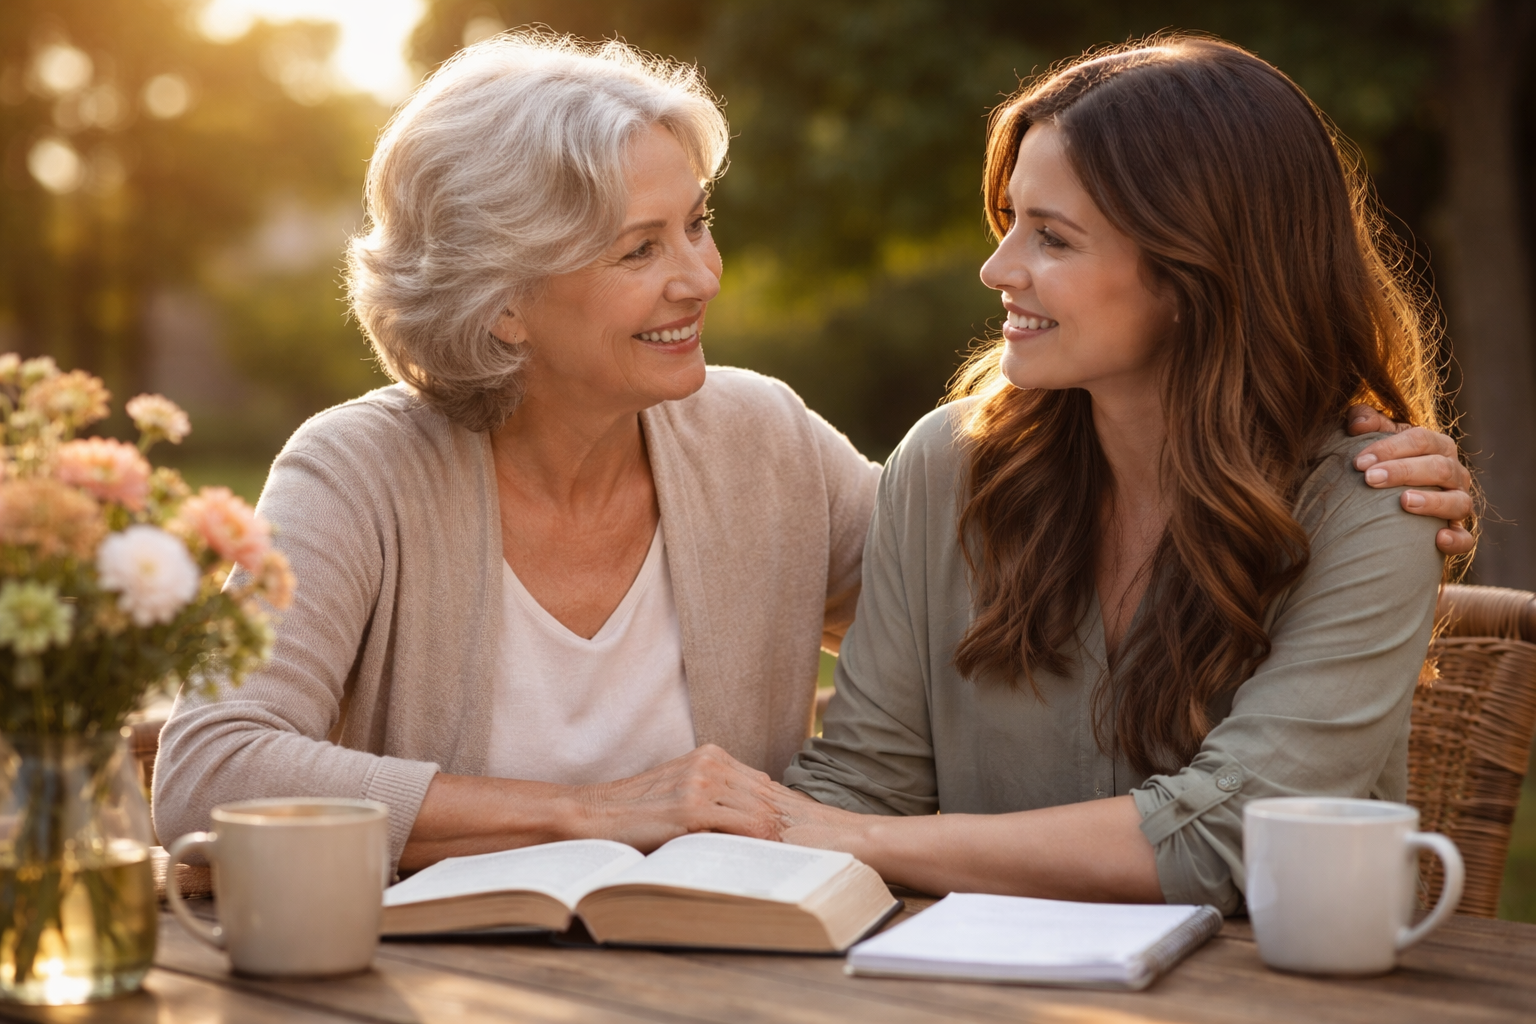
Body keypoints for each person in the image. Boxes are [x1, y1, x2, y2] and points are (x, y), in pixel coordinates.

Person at [152, 33, 1471, 877]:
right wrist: (597, 811)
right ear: (504, 304)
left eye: (698, 225)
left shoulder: (764, 444)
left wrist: (1382, 524)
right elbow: (210, 764)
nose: (702, 278)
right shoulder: (359, 469)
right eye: (640, 248)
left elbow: (927, 646)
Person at [777, 36, 1461, 915]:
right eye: (1010, 221)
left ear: (1196, 272)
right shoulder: (948, 465)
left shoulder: (1374, 505)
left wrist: (860, 842)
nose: (999, 269)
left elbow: (1238, 838)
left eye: (1053, 238)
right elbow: (863, 785)